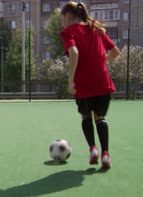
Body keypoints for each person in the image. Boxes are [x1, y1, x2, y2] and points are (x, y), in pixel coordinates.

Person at [59, 2, 120, 169]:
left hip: (83, 85)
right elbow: (116, 52)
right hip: (102, 82)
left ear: (67, 16)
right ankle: (105, 154)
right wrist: (101, 61)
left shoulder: (68, 32)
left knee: (86, 117)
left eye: (61, 18)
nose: (61, 22)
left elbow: (74, 52)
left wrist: (71, 80)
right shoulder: (96, 29)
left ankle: (93, 149)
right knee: (100, 118)